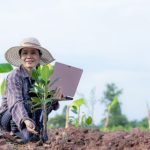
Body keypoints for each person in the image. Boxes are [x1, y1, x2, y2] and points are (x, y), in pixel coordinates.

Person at [0, 37, 63, 143]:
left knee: (41, 105)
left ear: (39, 57)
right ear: (20, 57)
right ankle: (12, 134)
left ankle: (26, 134)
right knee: (25, 136)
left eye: (33, 53)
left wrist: (54, 99)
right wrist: (25, 120)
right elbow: (16, 103)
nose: (29, 56)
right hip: (10, 116)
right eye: (25, 53)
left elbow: (44, 108)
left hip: (31, 116)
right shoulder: (14, 76)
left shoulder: (43, 78)